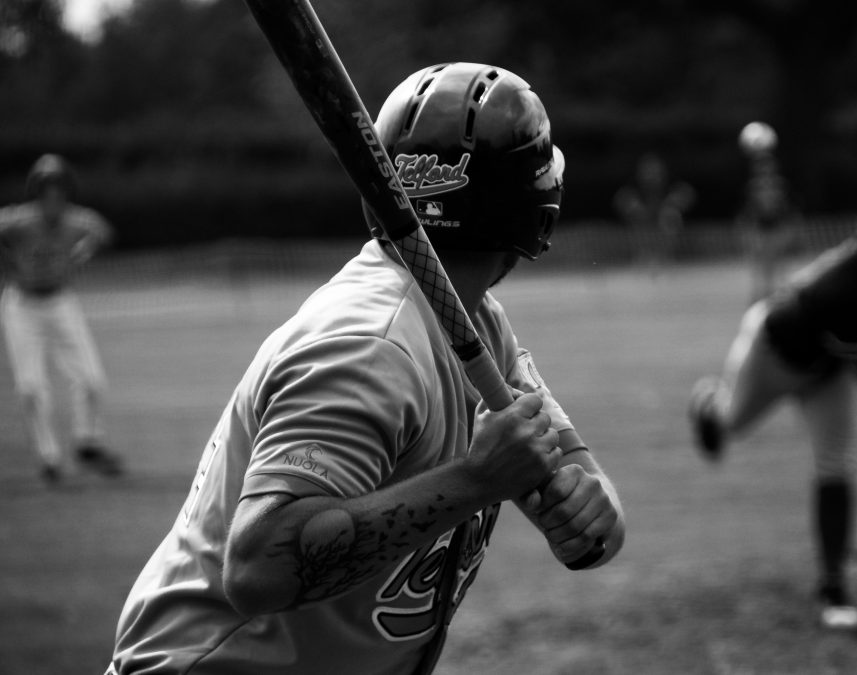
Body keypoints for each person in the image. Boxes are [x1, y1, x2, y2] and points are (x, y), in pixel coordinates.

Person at [108, 62, 625, 675]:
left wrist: (592, 507)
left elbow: (581, 486)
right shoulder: (368, 347)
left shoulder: (478, 322)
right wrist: (477, 481)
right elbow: (259, 568)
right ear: (534, 206)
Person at [688, 172, 857, 631]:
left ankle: (833, 586)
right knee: (731, 424)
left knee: (835, 465)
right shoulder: (848, 281)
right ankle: (706, 404)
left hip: (827, 363)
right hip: (774, 351)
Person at [0, 153, 123, 485]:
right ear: (36, 192)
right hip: (22, 305)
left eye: (58, 189)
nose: (53, 196)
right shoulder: (20, 220)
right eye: (46, 190)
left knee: (91, 378)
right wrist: (9, 259)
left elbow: (102, 230)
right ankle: (49, 457)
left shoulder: (74, 220)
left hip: (60, 301)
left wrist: (83, 250)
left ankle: (87, 441)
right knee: (30, 387)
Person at [735, 121, 804, 304]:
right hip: (761, 229)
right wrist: (748, 229)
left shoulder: (779, 185)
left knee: (778, 267)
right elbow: (750, 211)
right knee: (761, 269)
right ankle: (759, 301)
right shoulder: (753, 186)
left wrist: (791, 229)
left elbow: (787, 209)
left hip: (777, 228)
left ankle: (777, 301)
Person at [613, 151, 696, 268]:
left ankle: (666, 257)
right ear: (639, 173)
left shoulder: (673, 184)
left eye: (655, 170)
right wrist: (639, 209)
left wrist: (670, 205)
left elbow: (687, 194)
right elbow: (621, 199)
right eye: (647, 171)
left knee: (670, 215)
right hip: (642, 240)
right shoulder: (632, 188)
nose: (651, 175)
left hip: (669, 243)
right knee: (638, 216)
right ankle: (643, 256)